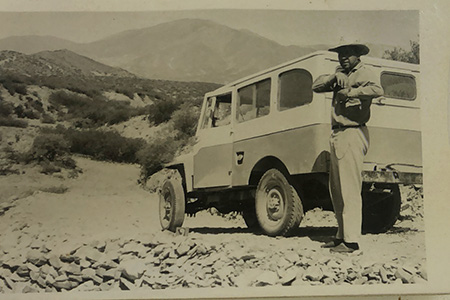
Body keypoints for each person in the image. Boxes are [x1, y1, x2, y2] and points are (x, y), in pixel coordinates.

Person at [312, 43, 384, 253]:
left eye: (348, 54)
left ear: (358, 55)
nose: (343, 58)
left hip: (353, 132)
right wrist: (334, 78)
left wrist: (352, 92)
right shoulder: (339, 73)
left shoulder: (365, 72)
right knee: (337, 189)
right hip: (338, 133)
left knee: (350, 188)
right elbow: (316, 87)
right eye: (340, 54)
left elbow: (378, 90)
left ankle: (351, 241)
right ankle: (341, 235)